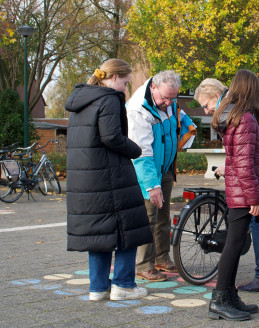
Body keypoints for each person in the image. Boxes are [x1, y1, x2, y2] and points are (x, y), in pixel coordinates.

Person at [194, 78, 259, 292]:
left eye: (205, 105)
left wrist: (230, 169)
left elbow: (243, 160)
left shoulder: (232, 111)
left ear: (214, 95)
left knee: (257, 220)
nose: (206, 111)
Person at [65, 59, 152, 301]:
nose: (125, 88)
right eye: (125, 83)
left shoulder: (80, 101)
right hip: (110, 174)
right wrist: (136, 150)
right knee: (128, 227)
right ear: (114, 78)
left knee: (99, 234)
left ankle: (98, 288)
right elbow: (112, 136)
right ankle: (123, 285)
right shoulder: (109, 98)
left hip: (85, 180)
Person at [127, 70, 196, 282]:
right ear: (153, 88)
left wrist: (189, 126)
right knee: (148, 217)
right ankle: (143, 265)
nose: (168, 103)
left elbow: (179, 119)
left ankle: (161, 256)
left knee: (163, 214)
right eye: (165, 98)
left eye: (173, 98)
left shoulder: (169, 101)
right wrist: (151, 185)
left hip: (165, 166)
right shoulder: (138, 109)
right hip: (146, 170)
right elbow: (142, 152)